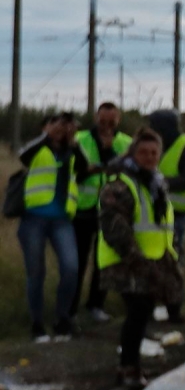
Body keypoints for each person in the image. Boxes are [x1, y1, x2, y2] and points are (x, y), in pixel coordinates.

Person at [94, 128, 182, 387]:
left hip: (151, 260)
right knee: (138, 311)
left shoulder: (155, 183)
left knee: (142, 314)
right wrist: (134, 257)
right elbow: (113, 226)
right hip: (125, 261)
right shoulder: (121, 183)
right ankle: (129, 369)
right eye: (143, 152)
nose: (149, 157)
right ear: (133, 153)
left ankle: (131, 367)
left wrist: (170, 255)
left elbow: (162, 225)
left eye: (154, 152)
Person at [15, 111, 80, 341]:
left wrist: (72, 141)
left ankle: (62, 318)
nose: (60, 128)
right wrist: (47, 136)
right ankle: (37, 324)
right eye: (55, 124)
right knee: (36, 273)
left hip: (62, 219)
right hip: (34, 218)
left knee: (71, 268)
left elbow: (83, 168)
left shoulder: (72, 149)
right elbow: (23, 156)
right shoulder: (38, 148)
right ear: (46, 126)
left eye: (65, 125)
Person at [70, 101, 130, 323]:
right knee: (77, 262)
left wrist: (109, 150)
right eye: (103, 121)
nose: (106, 126)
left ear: (118, 121)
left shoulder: (126, 142)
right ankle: (71, 309)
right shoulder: (81, 139)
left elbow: (127, 171)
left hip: (111, 210)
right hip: (83, 208)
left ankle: (96, 304)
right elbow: (71, 171)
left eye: (111, 122)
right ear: (96, 118)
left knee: (102, 262)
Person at [147, 108, 185, 322]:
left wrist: (159, 184)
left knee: (173, 261)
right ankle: (148, 308)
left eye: (155, 126)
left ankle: (174, 309)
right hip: (150, 214)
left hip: (176, 215)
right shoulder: (153, 147)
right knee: (150, 261)